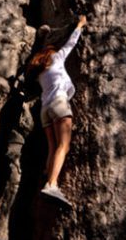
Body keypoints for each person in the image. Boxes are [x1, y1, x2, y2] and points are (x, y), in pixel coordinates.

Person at [28, 14, 87, 207]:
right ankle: (52, 184)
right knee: (64, 146)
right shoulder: (57, 58)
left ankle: (48, 175)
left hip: (45, 110)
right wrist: (80, 25)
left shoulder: (40, 74)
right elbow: (71, 43)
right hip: (59, 105)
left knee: (53, 147)